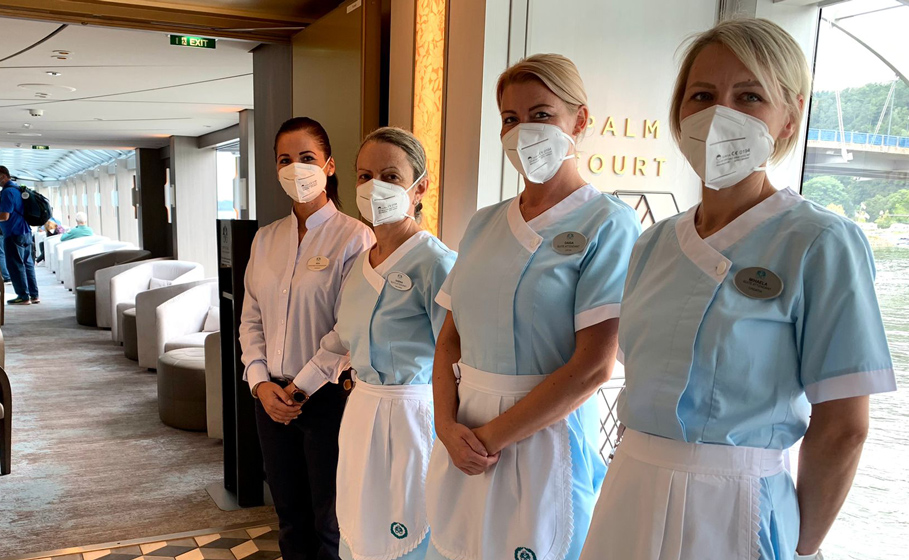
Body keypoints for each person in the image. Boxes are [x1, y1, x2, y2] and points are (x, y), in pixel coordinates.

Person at [579, 19, 896, 560]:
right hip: (630, 488)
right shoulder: (653, 243)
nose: (720, 115)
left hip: (737, 507)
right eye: (702, 96)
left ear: (789, 117)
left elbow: (844, 426)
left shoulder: (819, 242)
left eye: (749, 96)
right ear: (680, 113)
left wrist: (800, 545)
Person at [424, 54, 640, 560]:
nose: (523, 132)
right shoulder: (484, 223)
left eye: (541, 115)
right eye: (510, 119)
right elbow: (450, 338)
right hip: (465, 435)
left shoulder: (608, 223)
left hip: (543, 438)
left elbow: (594, 366)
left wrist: (488, 439)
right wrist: (446, 427)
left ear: (579, 121)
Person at [239, 117, 374, 560]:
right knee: (289, 517)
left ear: (329, 165)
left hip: (327, 399)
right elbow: (251, 318)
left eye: (307, 158)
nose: (295, 168)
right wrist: (260, 383)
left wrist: (299, 389)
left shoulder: (355, 237)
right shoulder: (265, 239)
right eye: (285, 159)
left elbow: (349, 327)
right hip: (269, 399)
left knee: (329, 522)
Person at [320, 128, 455, 560]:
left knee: (407, 530)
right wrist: (297, 387)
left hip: (413, 417)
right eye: (364, 176)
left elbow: (458, 360)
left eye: (390, 176)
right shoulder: (361, 264)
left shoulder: (436, 263)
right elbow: (341, 338)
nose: (374, 187)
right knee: (359, 526)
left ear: (420, 188)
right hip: (362, 413)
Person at [0, 166, 40, 305]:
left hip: (13, 233)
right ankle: (34, 295)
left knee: (15, 265)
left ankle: (23, 296)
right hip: (25, 231)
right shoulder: (16, 189)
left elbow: (4, 216)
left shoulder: (7, 192)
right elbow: (6, 209)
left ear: (3, 176)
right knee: (27, 264)